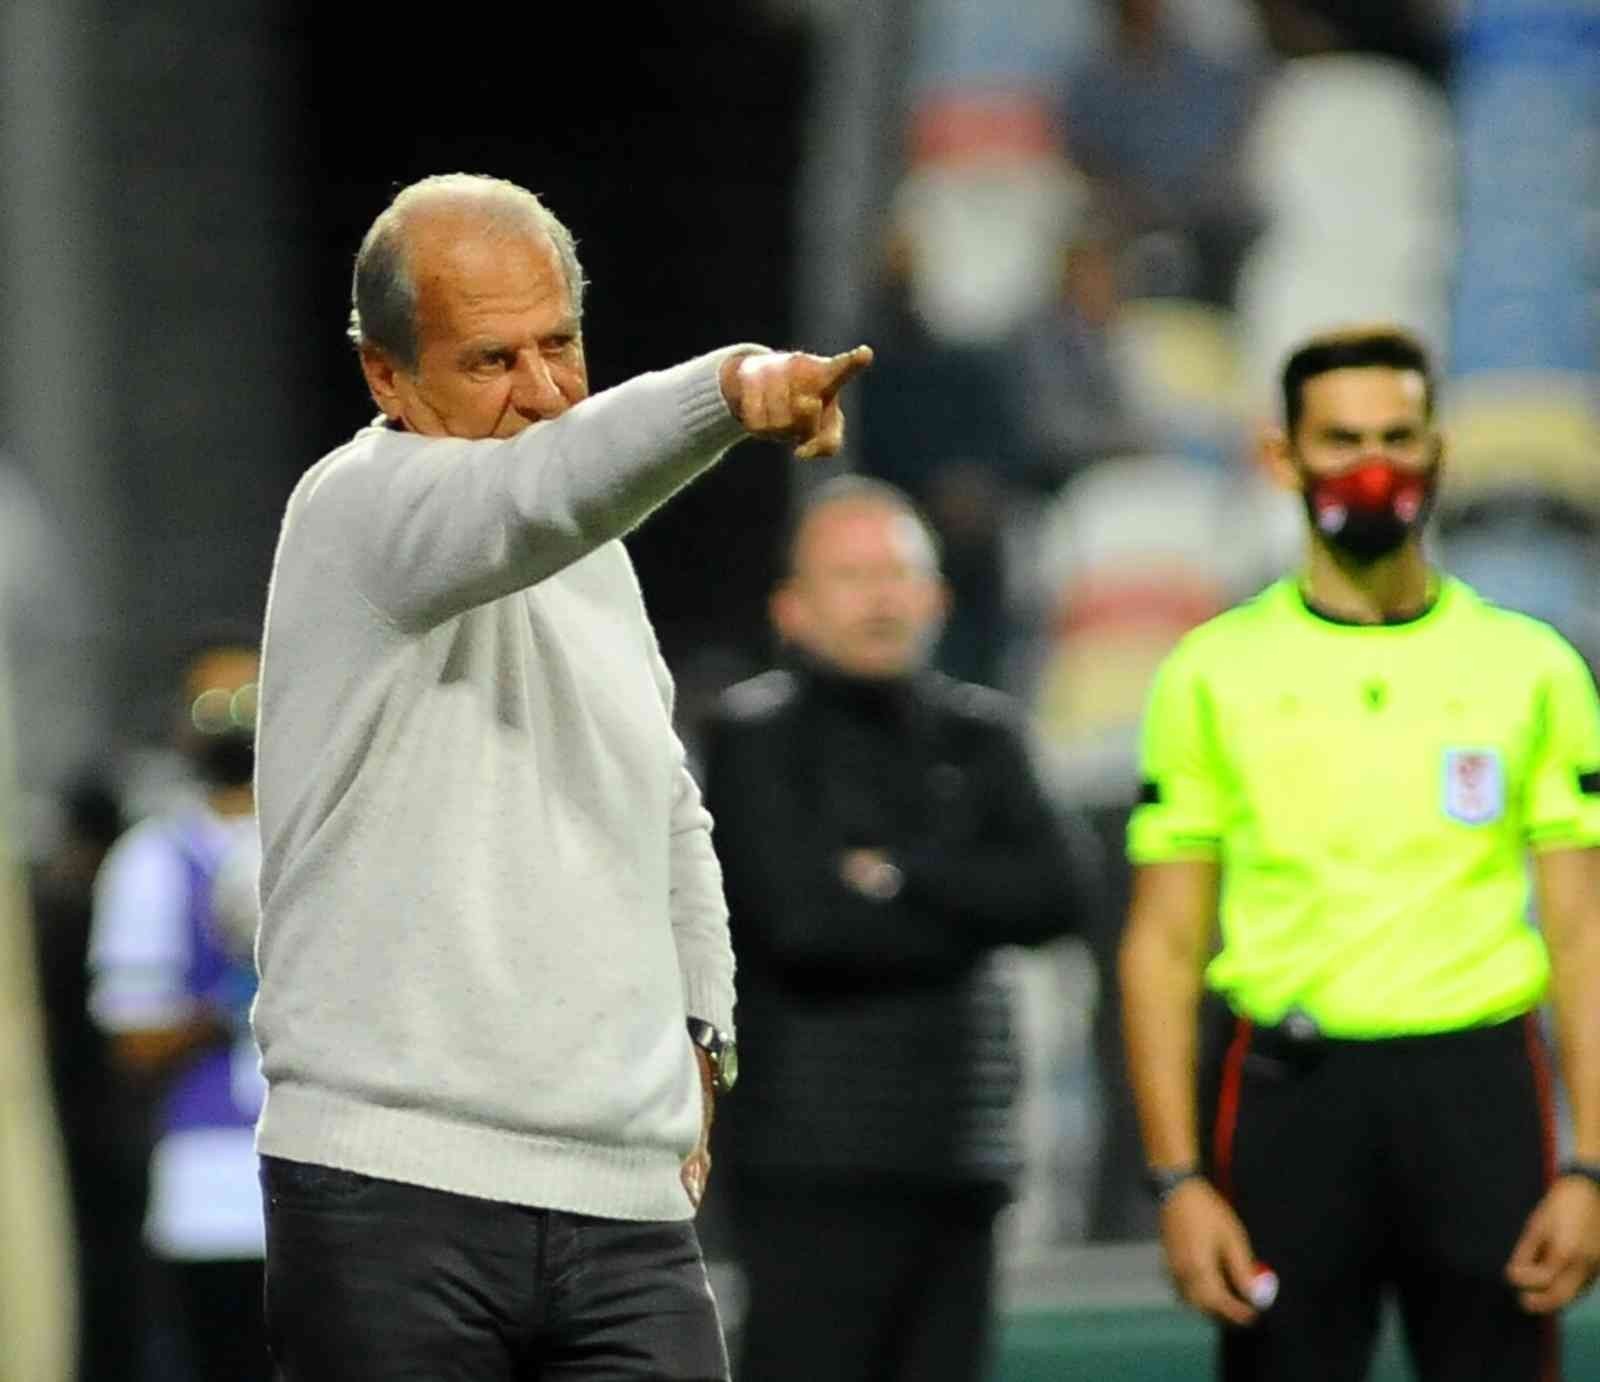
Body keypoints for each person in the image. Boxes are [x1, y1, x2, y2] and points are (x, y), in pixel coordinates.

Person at [251, 172, 871, 1382]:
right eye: (491, 360)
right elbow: (540, 490)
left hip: (624, 1210)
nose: (541, 391)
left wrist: (703, 1034)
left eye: (560, 344)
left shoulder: (593, 561)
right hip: (392, 1194)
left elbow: (665, 804)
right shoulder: (353, 510)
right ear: (385, 375)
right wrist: (730, 389)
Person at [1119, 324, 1600, 1381]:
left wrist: (1592, 1166)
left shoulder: (1531, 668)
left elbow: (1582, 932)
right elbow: (1162, 944)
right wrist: (1176, 1179)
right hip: (1289, 1096)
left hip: (1480, 1090)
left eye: (1396, 437)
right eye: (1340, 440)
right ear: (1281, 456)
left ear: (1437, 452)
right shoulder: (1211, 673)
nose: (1372, 466)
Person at [699, 476, 1099, 1382]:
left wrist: (897, 875)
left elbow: (1059, 894)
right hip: (809, 1166)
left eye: (897, 573)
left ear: (938, 597)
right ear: (791, 606)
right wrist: (966, 901)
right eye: (851, 576)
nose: (879, 598)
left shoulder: (985, 735)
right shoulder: (755, 737)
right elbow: (802, 924)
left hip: (962, 1158)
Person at [87, 631, 268, 1381]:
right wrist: (229, 1003)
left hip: (340, 1183)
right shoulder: (156, 859)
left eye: (251, 702)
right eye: (213, 707)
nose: (235, 723)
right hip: (213, 1183)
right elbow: (132, 1038)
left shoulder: (330, 842)